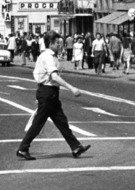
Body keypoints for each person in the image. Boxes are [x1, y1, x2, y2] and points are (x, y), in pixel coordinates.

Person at [15, 33, 91, 161]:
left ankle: (76, 147)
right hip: (47, 92)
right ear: (50, 44)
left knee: (62, 121)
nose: (59, 45)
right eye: (57, 43)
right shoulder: (47, 57)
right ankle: (23, 148)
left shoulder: (50, 56)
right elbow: (54, 77)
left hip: (51, 93)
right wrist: (72, 88)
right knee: (38, 123)